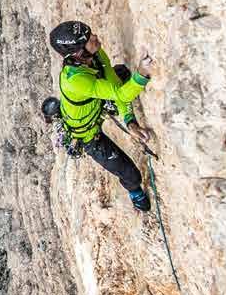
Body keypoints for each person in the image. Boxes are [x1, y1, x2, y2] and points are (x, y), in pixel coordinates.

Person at [47, 19, 152, 211]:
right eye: (89, 39)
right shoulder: (75, 81)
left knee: (121, 73)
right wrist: (143, 73)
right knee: (131, 175)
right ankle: (135, 194)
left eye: (91, 33)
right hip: (88, 136)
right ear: (78, 52)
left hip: (96, 106)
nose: (95, 37)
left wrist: (130, 121)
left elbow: (116, 87)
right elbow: (121, 94)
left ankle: (111, 107)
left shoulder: (95, 55)